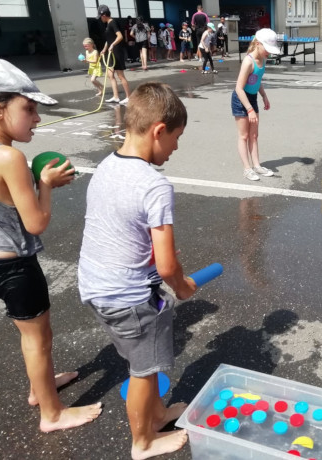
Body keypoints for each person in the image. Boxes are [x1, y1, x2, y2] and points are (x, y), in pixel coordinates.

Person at [0, 58, 103, 433]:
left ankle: (43, 387)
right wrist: (47, 185)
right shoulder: (9, 156)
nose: (37, 118)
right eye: (29, 109)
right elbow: (36, 222)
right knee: (38, 339)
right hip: (13, 266)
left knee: (33, 335)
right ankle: (50, 413)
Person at [78, 82, 197, 460]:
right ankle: (142, 442)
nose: (176, 148)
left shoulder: (107, 165)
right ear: (159, 130)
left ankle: (158, 415)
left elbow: (114, 229)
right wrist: (182, 286)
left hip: (97, 288)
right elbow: (166, 265)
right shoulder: (154, 185)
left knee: (138, 359)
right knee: (144, 372)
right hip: (128, 298)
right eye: (176, 138)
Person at [231, 28, 280, 181]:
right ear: (258, 44)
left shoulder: (263, 59)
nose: (269, 53)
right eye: (267, 49)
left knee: (254, 135)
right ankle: (247, 169)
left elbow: (257, 80)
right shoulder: (248, 61)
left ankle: (257, 166)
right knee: (244, 136)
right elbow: (239, 87)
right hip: (241, 100)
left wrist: (264, 95)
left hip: (252, 98)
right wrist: (249, 109)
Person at [97, 4, 132, 105]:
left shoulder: (113, 23)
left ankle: (128, 97)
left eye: (100, 17)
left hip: (116, 52)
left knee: (120, 76)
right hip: (110, 52)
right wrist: (104, 49)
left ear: (104, 15)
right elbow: (109, 40)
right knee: (110, 74)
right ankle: (116, 96)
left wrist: (112, 45)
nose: (100, 19)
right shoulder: (108, 24)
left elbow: (120, 36)